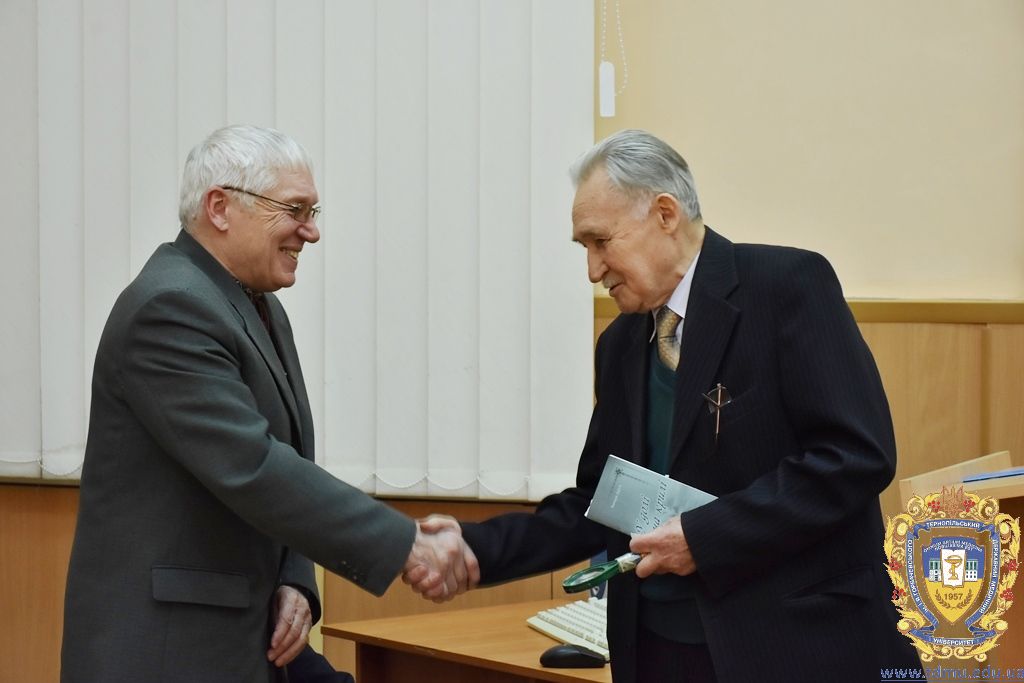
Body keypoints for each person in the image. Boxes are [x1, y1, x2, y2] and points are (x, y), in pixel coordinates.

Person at [418, 129, 922, 682]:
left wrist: (704, 538)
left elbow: (855, 457)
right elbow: (599, 500)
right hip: (657, 651)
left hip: (794, 647)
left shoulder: (786, 287)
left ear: (664, 214)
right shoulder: (620, 344)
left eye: (600, 242)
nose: (592, 270)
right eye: (583, 248)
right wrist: (475, 548)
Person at [61, 124, 477, 683]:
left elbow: (287, 460)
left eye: (313, 211)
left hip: (248, 637)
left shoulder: (253, 303)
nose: (312, 231)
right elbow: (251, 466)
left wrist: (295, 578)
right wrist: (404, 545)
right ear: (220, 207)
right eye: (295, 210)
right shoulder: (170, 307)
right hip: (170, 650)